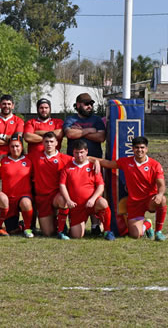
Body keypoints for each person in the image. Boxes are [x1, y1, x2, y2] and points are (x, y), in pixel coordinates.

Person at [93, 136, 167, 241]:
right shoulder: (126, 162)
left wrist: (159, 195)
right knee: (136, 235)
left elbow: (161, 184)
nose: (139, 150)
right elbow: (108, 164)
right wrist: (90, 159)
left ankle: (158, 232)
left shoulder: (155, 165)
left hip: (150, 199)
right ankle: (147, 224)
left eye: (142, 147)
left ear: (146, 149)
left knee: (163, 200)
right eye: (137, 147)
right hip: (134, 203)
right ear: (132, 149)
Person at [63, 92, 107, 235]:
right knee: (75, 192)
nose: (90, 106)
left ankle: (96, 225)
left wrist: (80, 132)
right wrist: (88, 131)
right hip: (74, 164)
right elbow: (70, 134)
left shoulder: (97, 120)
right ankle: (73, 221)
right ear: (78, 105)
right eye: (86, 104)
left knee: (94, 192)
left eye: (91, 104)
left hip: (93, 163)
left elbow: (101, 137)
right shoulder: (71, 119)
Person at [58, 140, 114, 240]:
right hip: (77, 207)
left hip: (91, 204)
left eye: (81, 152)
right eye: (76, 152)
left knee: (103, 202)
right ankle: (66, 227)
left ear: (86, 151)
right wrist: (68, 200)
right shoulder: (67, 167)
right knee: (77, 236)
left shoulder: (92, 166)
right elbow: (62, 185)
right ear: (73, 152)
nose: (79, 155)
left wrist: (92, 199)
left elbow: (100, 186)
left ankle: (107, 231)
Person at [32, 132, 73, 239]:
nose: (49, 144)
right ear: (42, 143)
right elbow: (19, 156)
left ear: (56, 143)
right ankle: (56, 222)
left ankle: (62, 229)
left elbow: (82, 159)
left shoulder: (65, 158)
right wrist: (4, 155)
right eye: (46, 142)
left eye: (51, 141)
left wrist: (95, 161)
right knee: (48, 233)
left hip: (56, 195)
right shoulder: (35, 156)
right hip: (42, 197)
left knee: (63, 200)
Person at [0, 136, 35, 238]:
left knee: (25, 203)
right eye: (12, 146)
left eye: (17, 146)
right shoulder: (2, 161)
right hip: (9, 200)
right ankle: (20, 226)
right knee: (12, 230)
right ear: (9, 148)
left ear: (22, 146)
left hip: (24, 196)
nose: (15, 149)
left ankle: (28, 228)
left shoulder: (29, 160)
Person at [0, 94, 25, 160]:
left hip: (12, 157)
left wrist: (1, 136)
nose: (6, 106)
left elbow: (18, 139)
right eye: (4, 104)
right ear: (0, 105)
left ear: (13, 106)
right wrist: (10, 141)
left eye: (9, 104)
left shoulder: (18, 121)